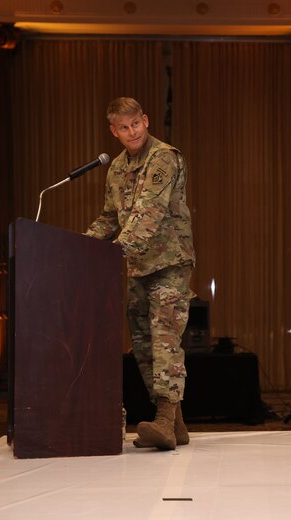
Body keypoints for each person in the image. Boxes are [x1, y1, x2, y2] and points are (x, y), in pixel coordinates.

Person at [86, 97, 195, 451]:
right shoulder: (116, 167)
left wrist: (116, 251)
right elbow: (109, 217)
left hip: (169, 262)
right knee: (143, 345)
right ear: (113, 131)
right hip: (137, 267)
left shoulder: (163, 156)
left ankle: (164, 418)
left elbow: (150, 211)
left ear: (145, 121)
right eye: (123, 127)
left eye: (136, 124)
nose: (131, 131)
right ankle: (175, 426)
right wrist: (80, 249)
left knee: (164, 339)